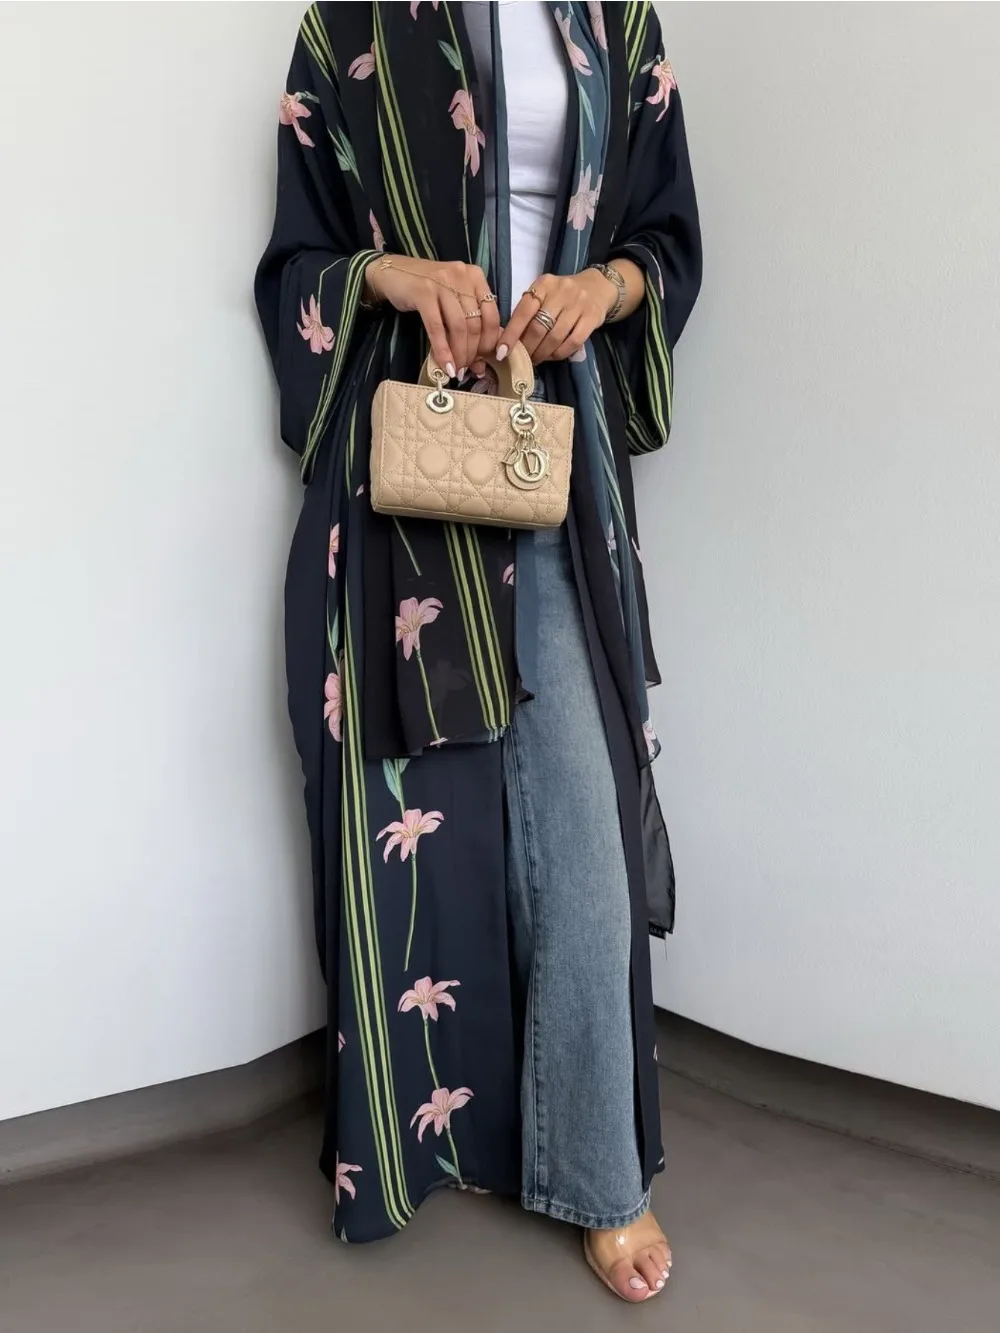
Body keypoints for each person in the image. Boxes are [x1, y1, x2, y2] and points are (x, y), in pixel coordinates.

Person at [255, 0, 701, 1303]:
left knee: (579, 814)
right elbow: (296, 261)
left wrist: (600, 290)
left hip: (544, 446)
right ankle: (417, 1145)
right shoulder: (348, 21)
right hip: (403, 449)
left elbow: (666, 236)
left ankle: (598, 1170)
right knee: (401, 807)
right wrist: (394, 276)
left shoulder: (615, 21)